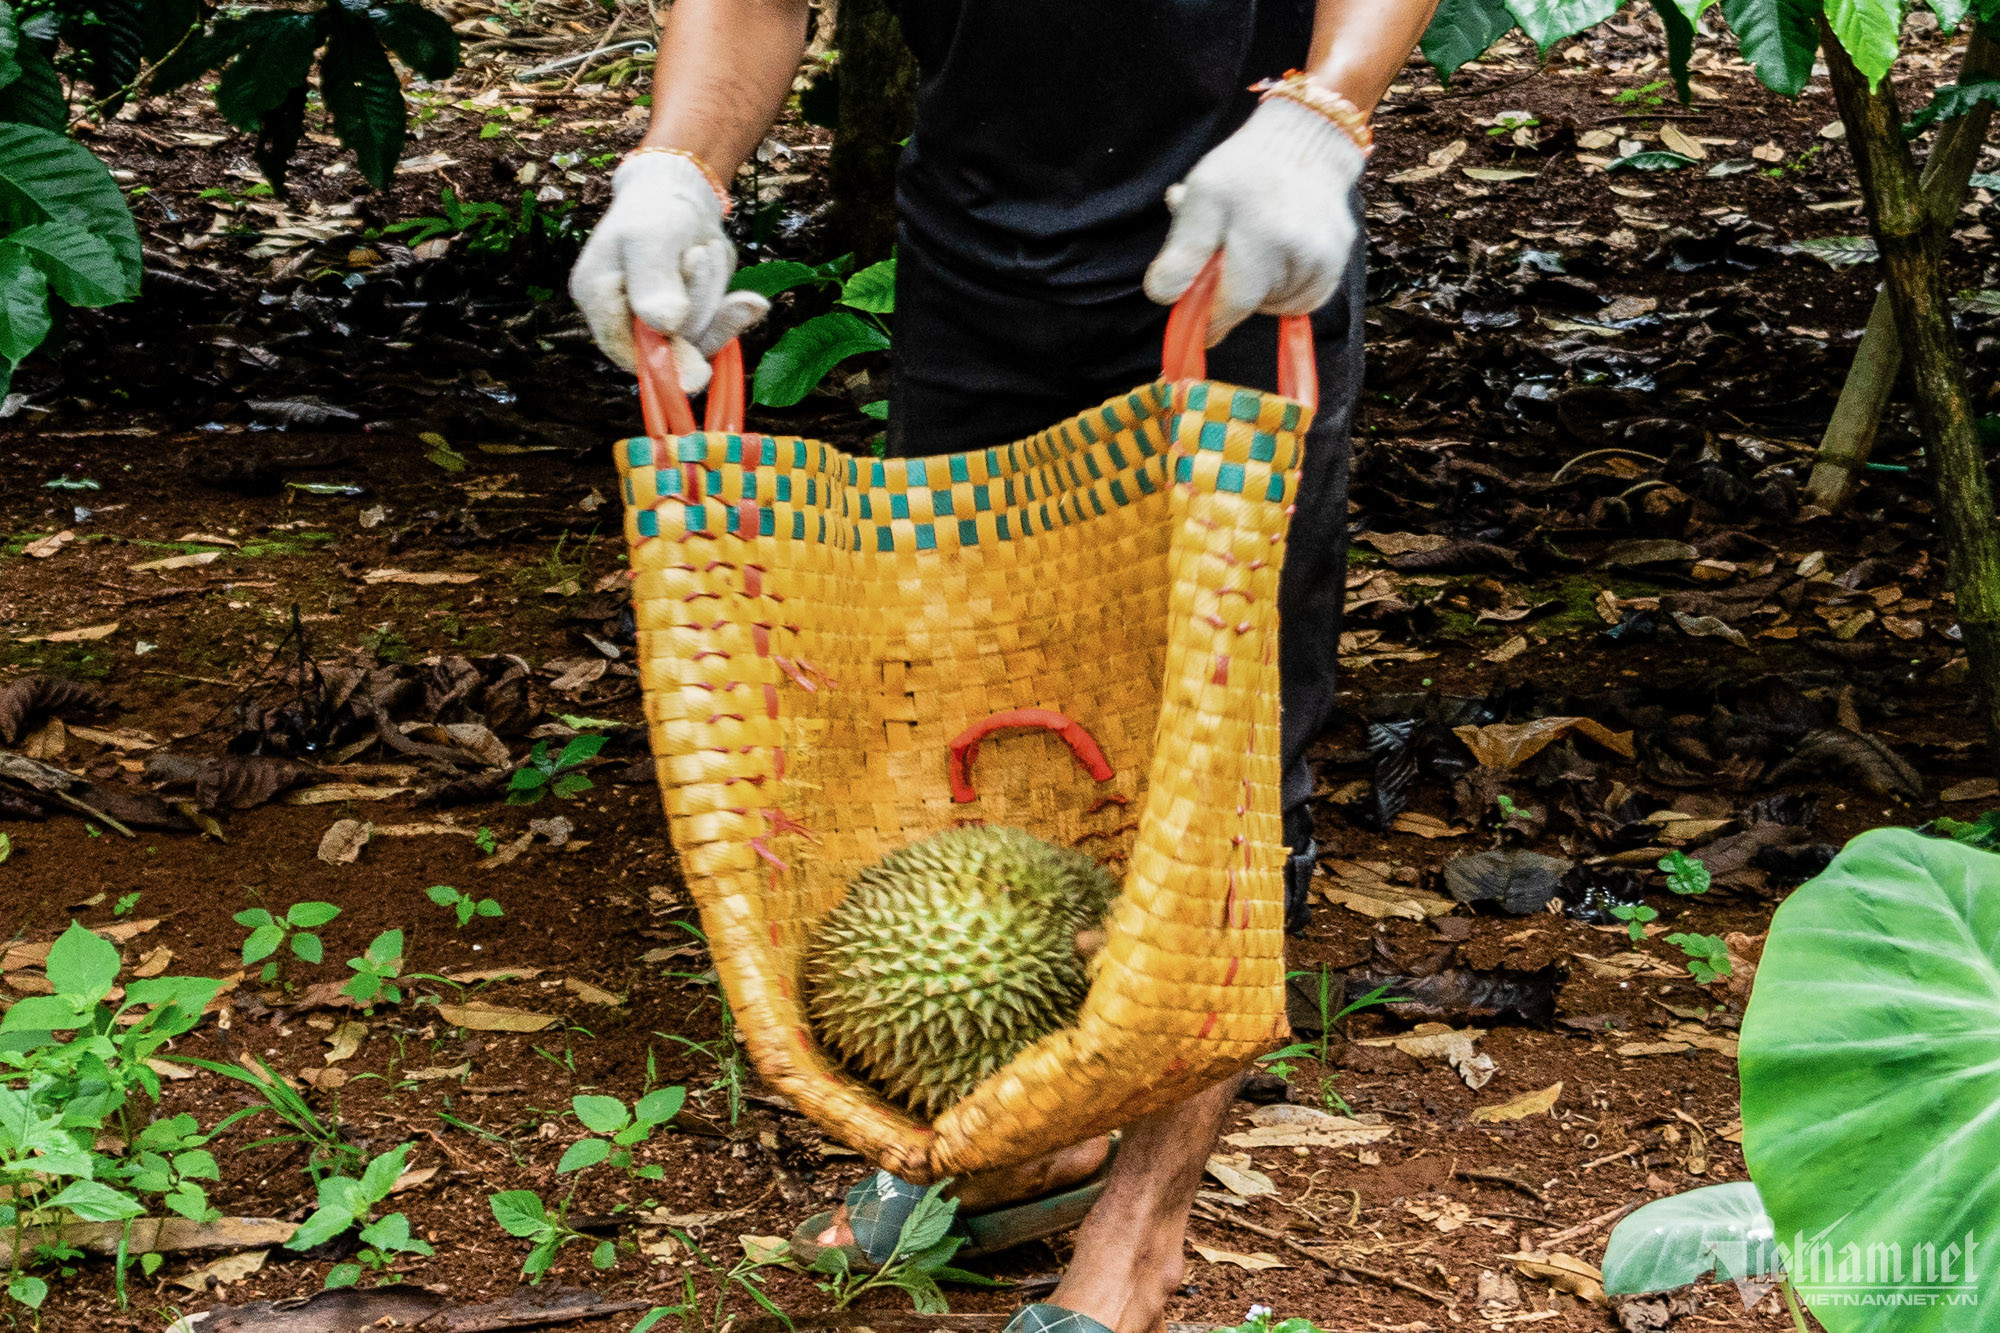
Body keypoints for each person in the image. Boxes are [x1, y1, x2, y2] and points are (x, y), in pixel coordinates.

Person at [570, 3, 1440, 1330]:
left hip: (1241, 218)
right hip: (971, 245)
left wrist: (1324, 112)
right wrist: (676, 170)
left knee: (1220, 755)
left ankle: (1143, 1230)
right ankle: (1027, 1137)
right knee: (965, 718)